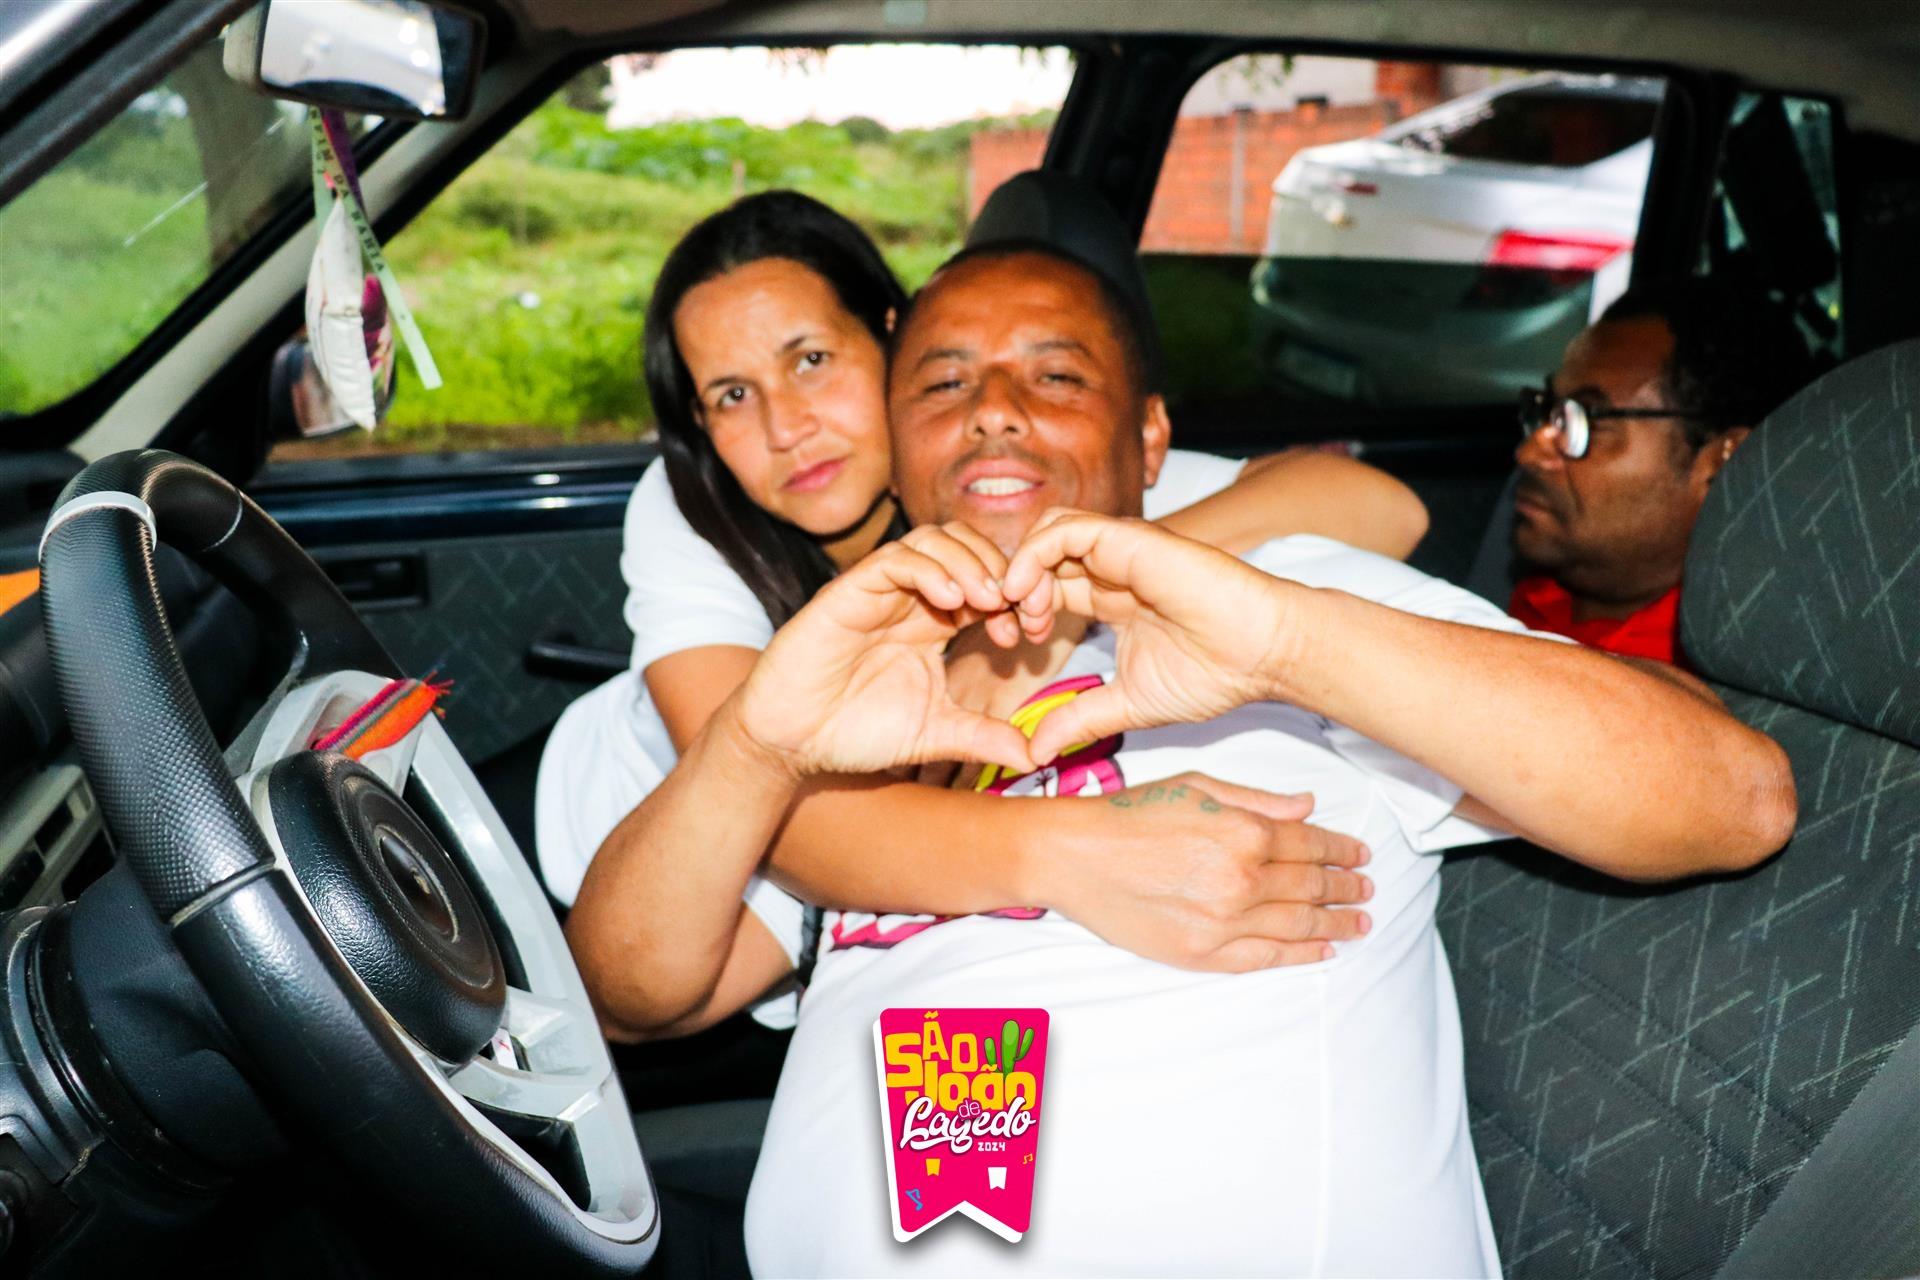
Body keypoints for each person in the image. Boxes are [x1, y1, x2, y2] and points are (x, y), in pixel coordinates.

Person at [567, 242, 1797, 1275]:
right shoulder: (872, 693)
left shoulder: (1283, 597)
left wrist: (1284, 643)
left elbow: (1731, 795)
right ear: (899, 441)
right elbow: (632, 989)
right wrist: (758, 745)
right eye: (942, 383)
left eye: (1056, 374)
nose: (993, 407)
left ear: (1150, 439)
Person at [535, 184, 1434, 1014]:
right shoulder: (689, 511)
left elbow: (1373, 503)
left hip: (828, 887)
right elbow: (785, 811)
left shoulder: (999, 472)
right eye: (732, 395)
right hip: (615, 840)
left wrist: (1074, 584)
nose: (786, 427)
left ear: (895, 339)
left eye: (811, 360)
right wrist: (1076, 848)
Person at [1507, 277, 1814, 662]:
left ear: (1722, 462)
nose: (1529, 453)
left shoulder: (1709, 673)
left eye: (1585, 420)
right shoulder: (1537, 597)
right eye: (1550, 412)